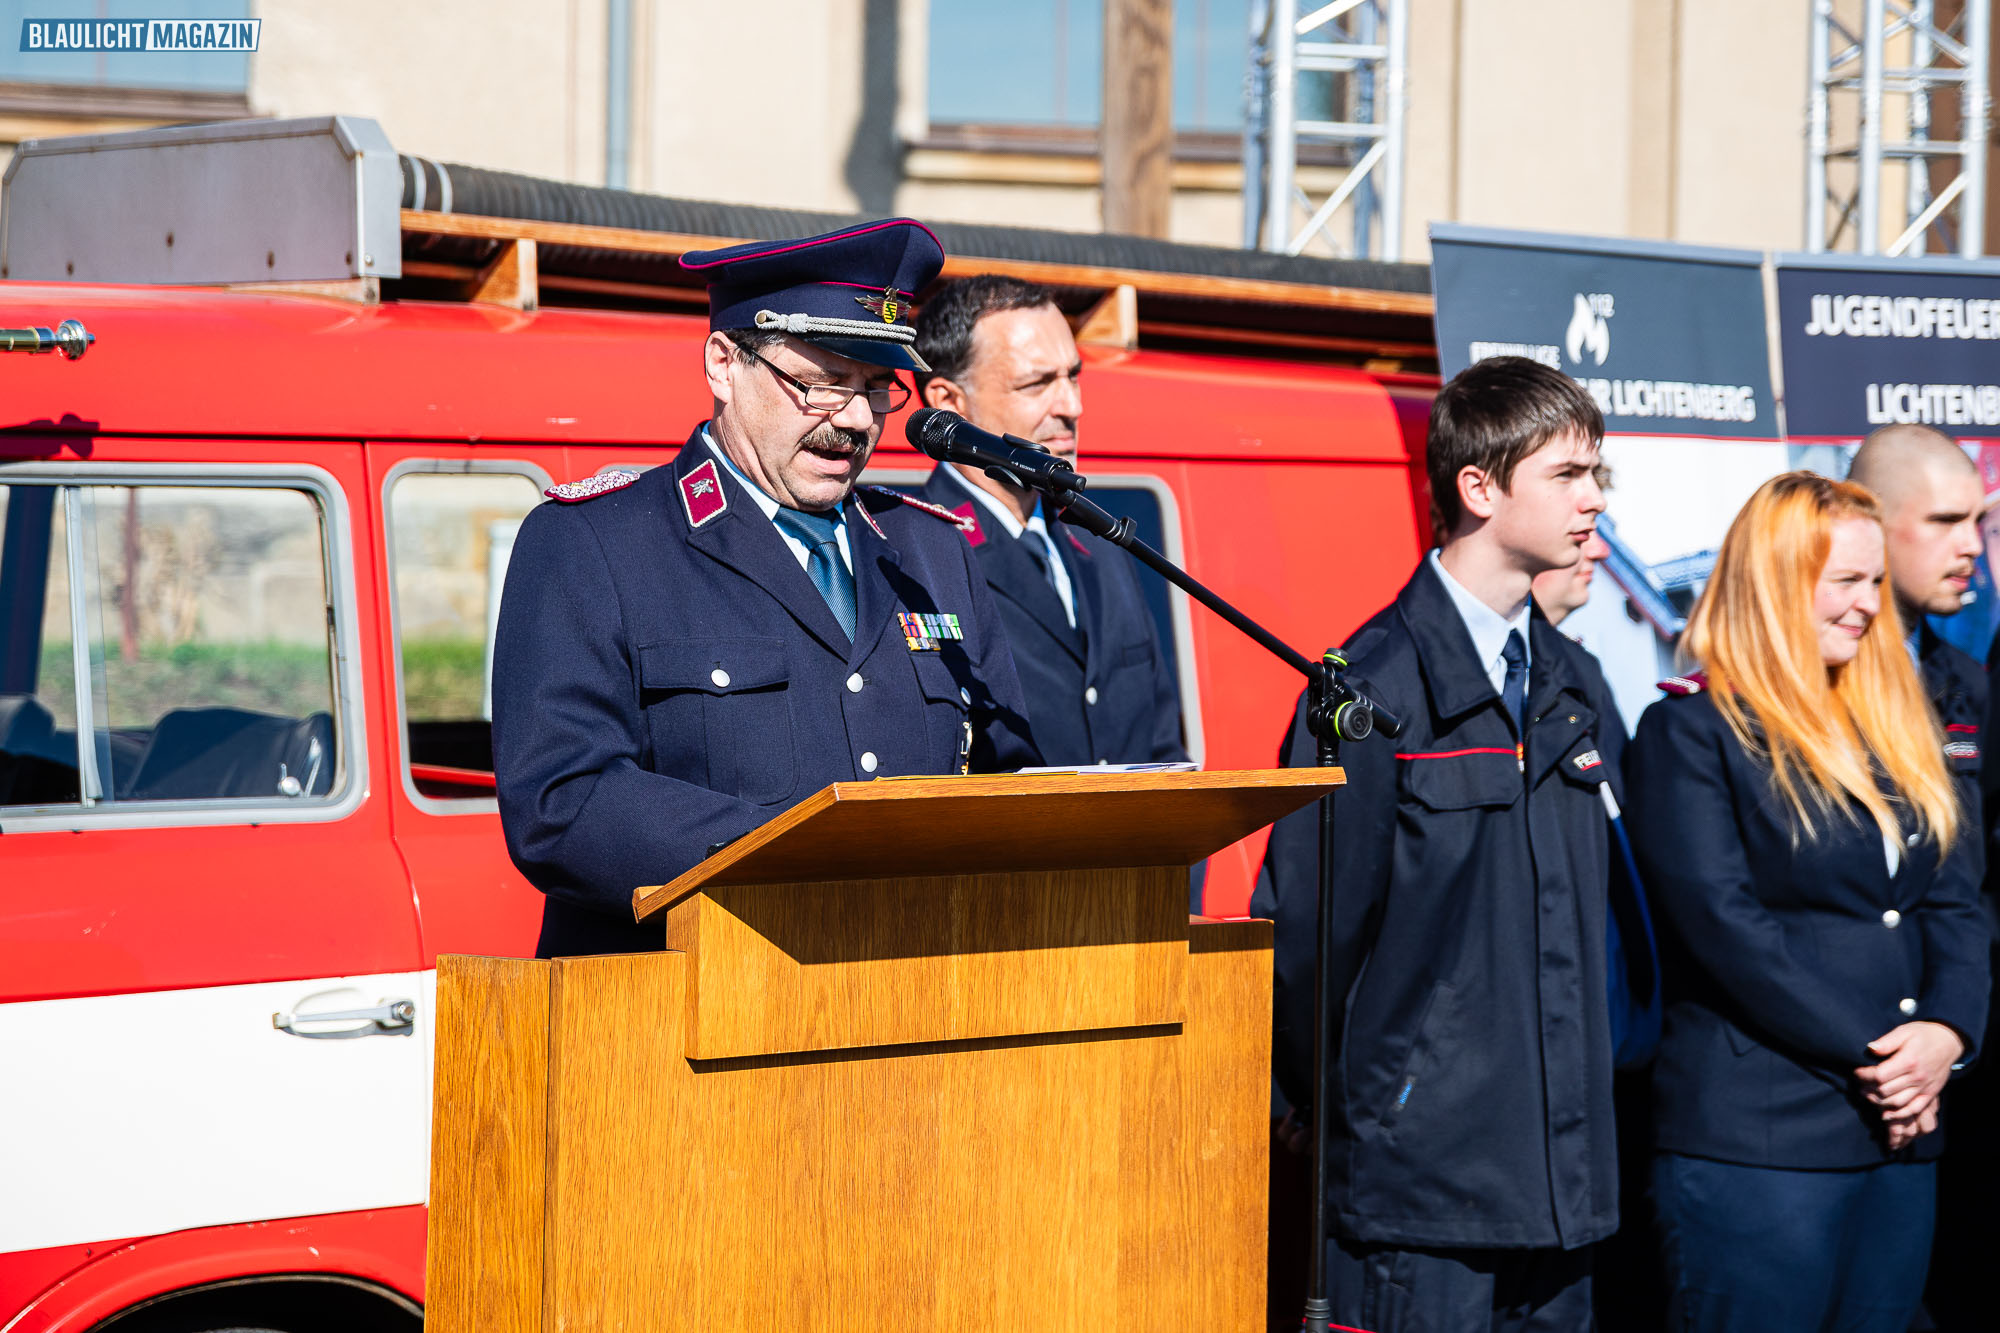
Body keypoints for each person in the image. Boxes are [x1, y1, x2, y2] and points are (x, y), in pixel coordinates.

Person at [491, 219, 1039, 958]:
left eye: (877, 390)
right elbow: (561, 803)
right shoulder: (595, 543)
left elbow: (1010, 777)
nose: (852, 421)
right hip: (695, 1027)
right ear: (723, 363)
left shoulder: (932, 552)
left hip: (914, 1013)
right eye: (820, 383)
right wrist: (805, 856)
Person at [1259, 355, 1617, 1332]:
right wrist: (1341, 1104)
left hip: (1559, 1185)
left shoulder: (1574, 684)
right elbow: (1307, 931)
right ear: (1477, 487)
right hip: (1420, 1191)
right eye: (1566, 475)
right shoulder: (1370, 689)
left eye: (1597, 476)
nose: (1593, 502)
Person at [1624, 472, 1989, 1333]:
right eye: (1847, 582)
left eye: (1874, 581)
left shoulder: (1896, 723)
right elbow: (1724, 925)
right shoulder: (1693, 730)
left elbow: (1956, 902)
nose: (1870, 605)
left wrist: (1948, 1034)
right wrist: (1889, 1057)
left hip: (1901, 1136)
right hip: (1762, 1140)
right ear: (1781, 581)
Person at [911, 275, 1190, 771]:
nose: (1073, 407)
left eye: (1073, 376)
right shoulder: (912, 556)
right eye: (1037, 383)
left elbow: (1164, 750)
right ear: (949, 403)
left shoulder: (1099, 542)